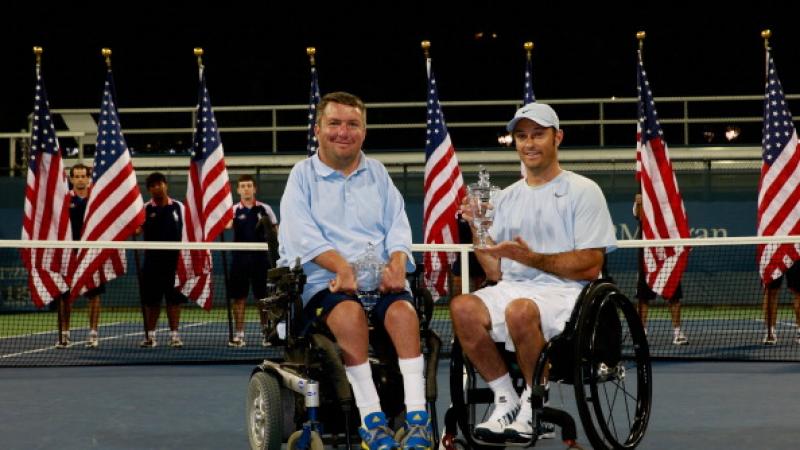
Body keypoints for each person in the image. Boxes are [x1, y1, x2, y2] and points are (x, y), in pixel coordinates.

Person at [449, 103, 616, 441]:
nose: (529, 143)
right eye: (521, 136)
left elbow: (591, 263)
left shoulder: (584, 191)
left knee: (520, 310)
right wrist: (478, 229)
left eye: (538, 135)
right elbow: (496, 271)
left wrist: (531, 258)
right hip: (514, 288)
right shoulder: (506, 198)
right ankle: (506, 398)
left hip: (568, 291)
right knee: (463, 307)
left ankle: (532, 400)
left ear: (558, 138)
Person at [278, 92, 431, 450]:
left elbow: (397, 226)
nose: (343, 132)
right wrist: (341, 268)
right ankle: (372, 421)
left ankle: (417, 419)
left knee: (405, 313)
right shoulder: (301, 177)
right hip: (324, 284)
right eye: (334, 123)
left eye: (352, 124)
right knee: (348, 315)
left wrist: (396, 265)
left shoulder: (376, 173)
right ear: (318, 129)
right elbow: (301, 237)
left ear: (363, 130)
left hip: (380, 281)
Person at [55, 163, 105, 348]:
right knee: (65, 296)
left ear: (88, 177)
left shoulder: (96, 198)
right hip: (69, 254)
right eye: (76, 176)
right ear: (71, 179)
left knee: (93, 295)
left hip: (91, 253)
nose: (80, 179)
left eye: (83, 175)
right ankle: (65, 334)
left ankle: (93, 334)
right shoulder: (64, 200)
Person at [227, 174, 279, 347]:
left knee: (262, 299)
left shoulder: (265, 209)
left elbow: (275, 232)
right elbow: (225, 226)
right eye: (243, 186)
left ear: (254, 188)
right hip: (240, 259)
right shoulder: (233, 210)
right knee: (238, 298)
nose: (246, 188)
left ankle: (266, 333)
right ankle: (239, 335)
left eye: (249, 185)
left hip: (261, 260)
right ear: (238, 190)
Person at [137, 172, 186, 348]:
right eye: (153, 186)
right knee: (152, 302)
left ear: (166, 185)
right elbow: (136, 230)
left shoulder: (179, 207)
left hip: (174, 262)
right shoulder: (144, 209)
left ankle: (174, 336)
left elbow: (188, 231)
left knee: (174, 301)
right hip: (152, 262)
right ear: (149, 189)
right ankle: (150, 336)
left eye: (160, 184)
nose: (158, 188)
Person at [632, 193, 688, 345]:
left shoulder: (670, 204)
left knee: (674, 297)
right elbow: (639, 216)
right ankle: (642, 332)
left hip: (668, 256)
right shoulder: (644, 198)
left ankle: (678, 333)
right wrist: (639, 203)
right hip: (648, 257)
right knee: (643, 298)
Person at [761, 264, 800, 345]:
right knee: (770, 291)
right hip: (773, 254)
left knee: (799, 292)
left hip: (796, 254)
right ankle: (770, 332)